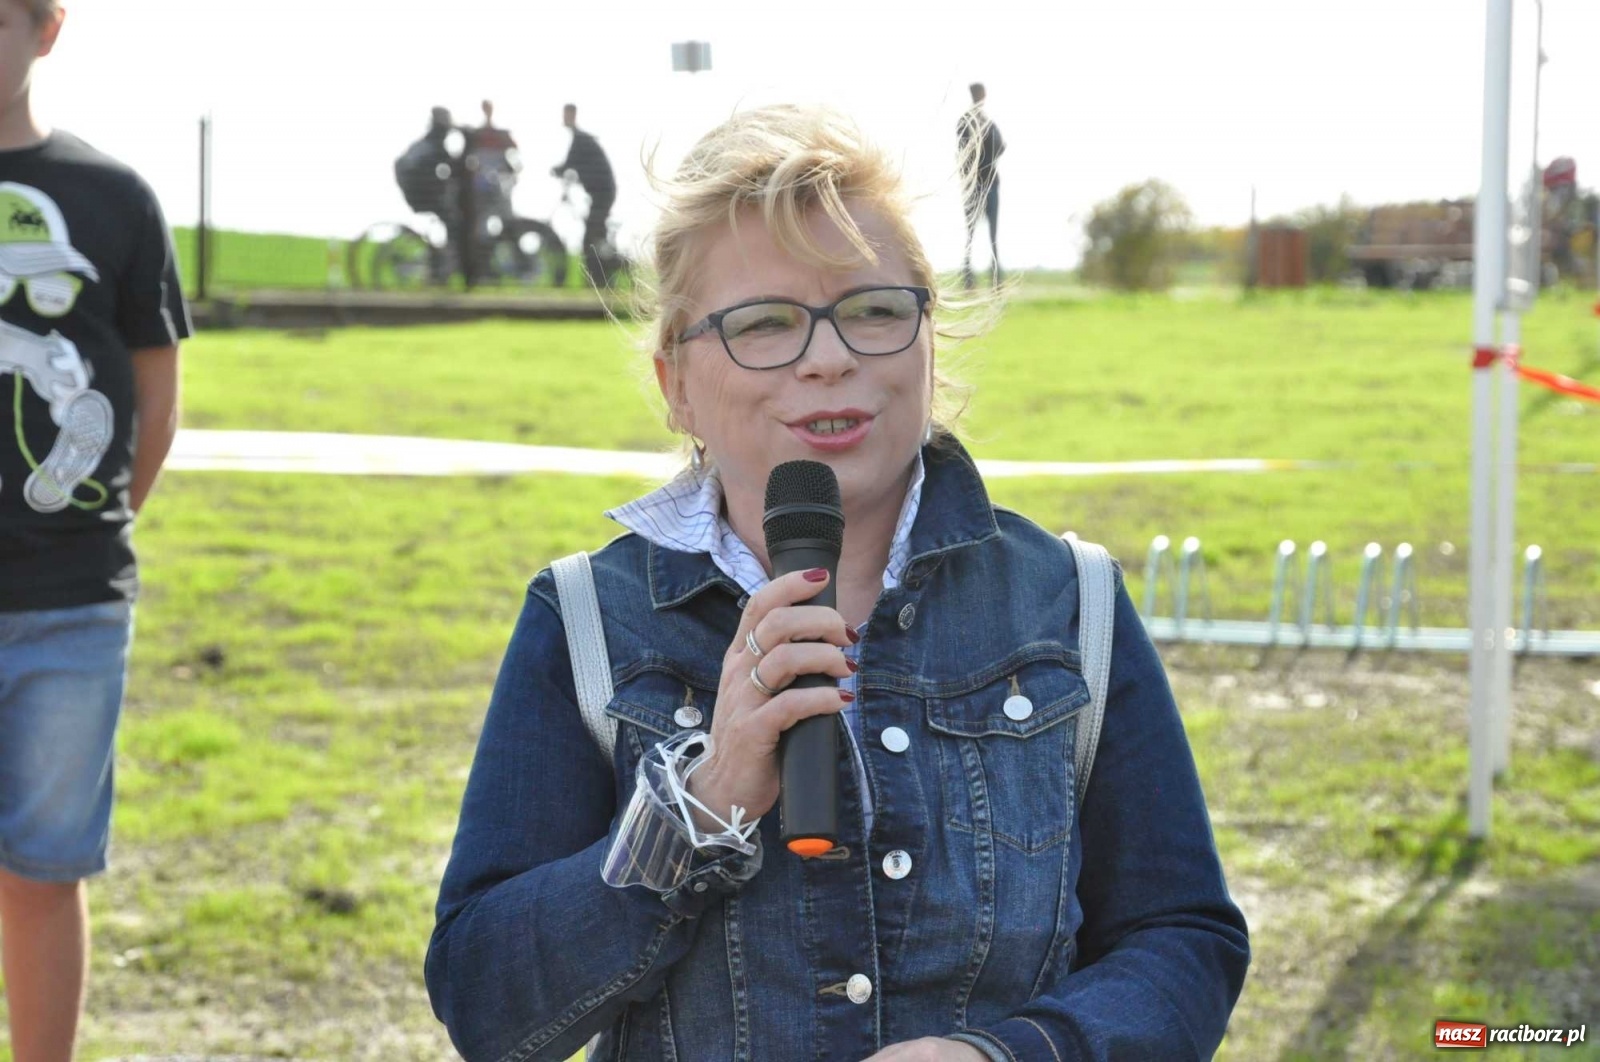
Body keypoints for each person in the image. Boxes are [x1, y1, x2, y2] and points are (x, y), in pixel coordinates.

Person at [427, 104, 1248, 1061]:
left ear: (928, 342)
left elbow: (1183, 943)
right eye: (764, 323)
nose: (830, 357)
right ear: (676, 383)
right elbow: (486, 1004)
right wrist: (705, 800)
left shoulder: (1072, 604)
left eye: (873, 310)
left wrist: (1014, 1055)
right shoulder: (586, 622)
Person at [0, 1, 190, 1059]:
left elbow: (153, 412)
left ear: (45, 31)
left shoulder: (112, 199)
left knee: (43, 869)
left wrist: (82, 526)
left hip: (68, 606)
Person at [550, 103, 616, 286]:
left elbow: (569, 164)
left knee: (591, 237)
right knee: (596, 233)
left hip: (603, 193)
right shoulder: (581, 139)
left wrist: (556, 170)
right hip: (601, 193)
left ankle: (599, 278)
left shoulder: (580, 140)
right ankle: (600, 278)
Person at [957, 82, 1005, 289]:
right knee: (971, 233)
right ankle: (968, 278)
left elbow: (1002, 146)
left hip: (991, 184)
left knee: (992, 234)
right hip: (975, 185)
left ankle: (995, 279)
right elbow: (963, 152)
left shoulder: (988, 122)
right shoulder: (966, 122)